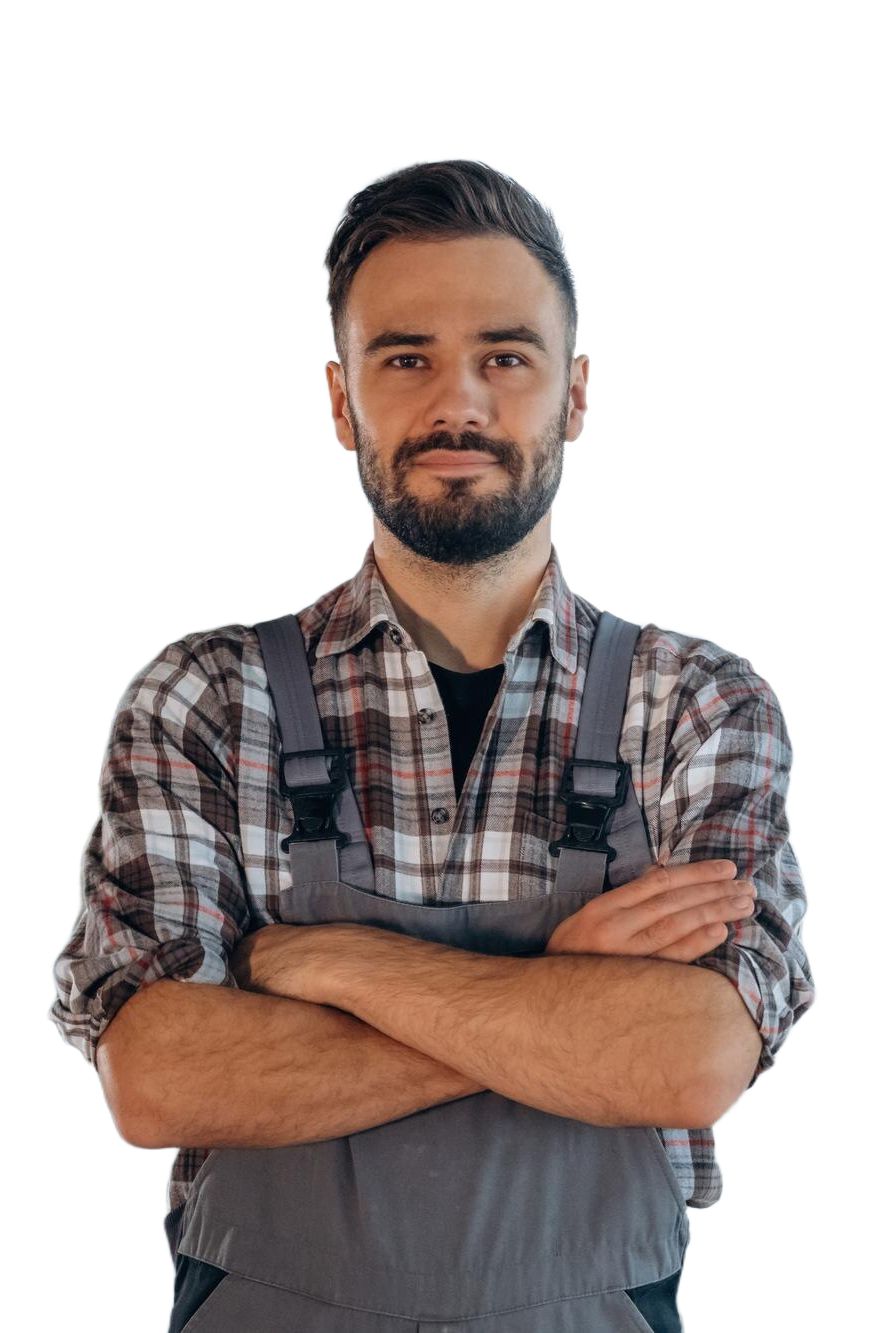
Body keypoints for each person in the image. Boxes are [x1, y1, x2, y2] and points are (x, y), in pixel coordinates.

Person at [47, 157, 817, 1333]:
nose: (458, 404)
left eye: (505, 357)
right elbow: (158, 1078)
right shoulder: (203, 695)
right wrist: (561, 988)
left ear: (575, 393)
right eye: (404, 358)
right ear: (339, 398)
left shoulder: (699, 702)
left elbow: (693, 1058)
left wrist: (322, 962)